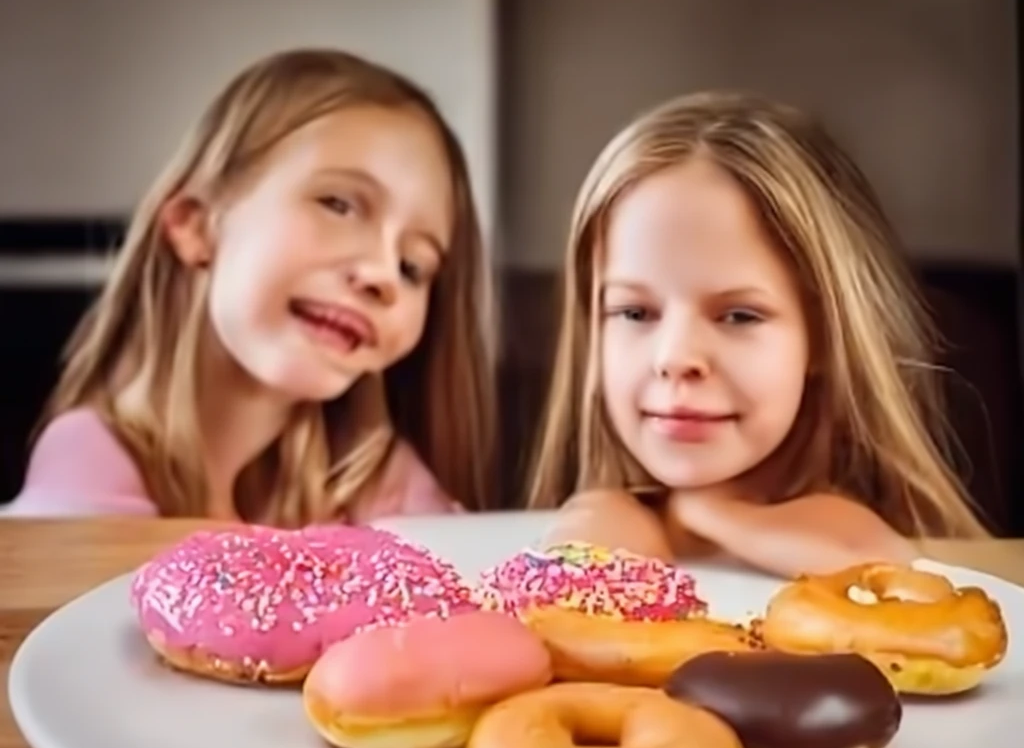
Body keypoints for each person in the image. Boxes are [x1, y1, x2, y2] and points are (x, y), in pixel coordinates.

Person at [3, 48, 495, 525]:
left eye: (413, 266)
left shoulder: (376, 481)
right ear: (196, 226)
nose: (382, 275)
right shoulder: (93, 457)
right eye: (337, 205)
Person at [528, 91, 987, 577]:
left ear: (826, 338)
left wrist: (709, 515)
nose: (675, 357)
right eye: (634, 312)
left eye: (739, 316)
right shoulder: (585, 530)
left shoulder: (882, 550)